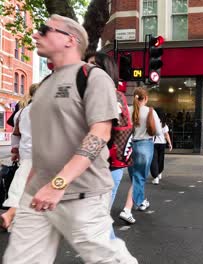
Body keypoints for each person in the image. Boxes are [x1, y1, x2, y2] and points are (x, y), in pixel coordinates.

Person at [3, 14, 137, 264]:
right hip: (37, 196)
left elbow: (100, 133)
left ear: (69, 40)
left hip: (82, 195)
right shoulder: (43, 87)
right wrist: (20, 200)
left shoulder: (92, 77)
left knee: (106, 259)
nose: (35, 34)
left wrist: (57, 185)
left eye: (44, 30)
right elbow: (44, 149)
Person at [85, 51, 132, 239]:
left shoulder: (112, 95)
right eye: (87, 64)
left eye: (93, 65)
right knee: (96, 219)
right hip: (96, 165)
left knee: (98, 218)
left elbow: (103, 131)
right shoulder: (98, 94)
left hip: (106, 166)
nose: (88, 69)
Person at [119, 88, 162, 224]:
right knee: (139, 178)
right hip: (145, 146)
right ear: (146, 98)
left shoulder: (127, 110)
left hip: (130, 146)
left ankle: (141, 201)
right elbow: (158, 131)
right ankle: (127, 209)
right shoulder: (150, 111)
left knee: (135, 178)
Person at [0, 84, 39, 230]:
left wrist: (15, 152)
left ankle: (13, 217)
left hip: (26, 155)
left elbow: (15, 135)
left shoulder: (21, 112)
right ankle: (18, 218)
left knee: (21, 185)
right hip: (43, 156)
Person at [151, 108, 173, 185]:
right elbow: (166, 135)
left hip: (153, 143)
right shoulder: (164, 124)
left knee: (154, 160)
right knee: (161, 159)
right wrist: (170, 144)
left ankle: (155, 177)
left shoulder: (152, 122)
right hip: (162, 143)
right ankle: (159, 172)